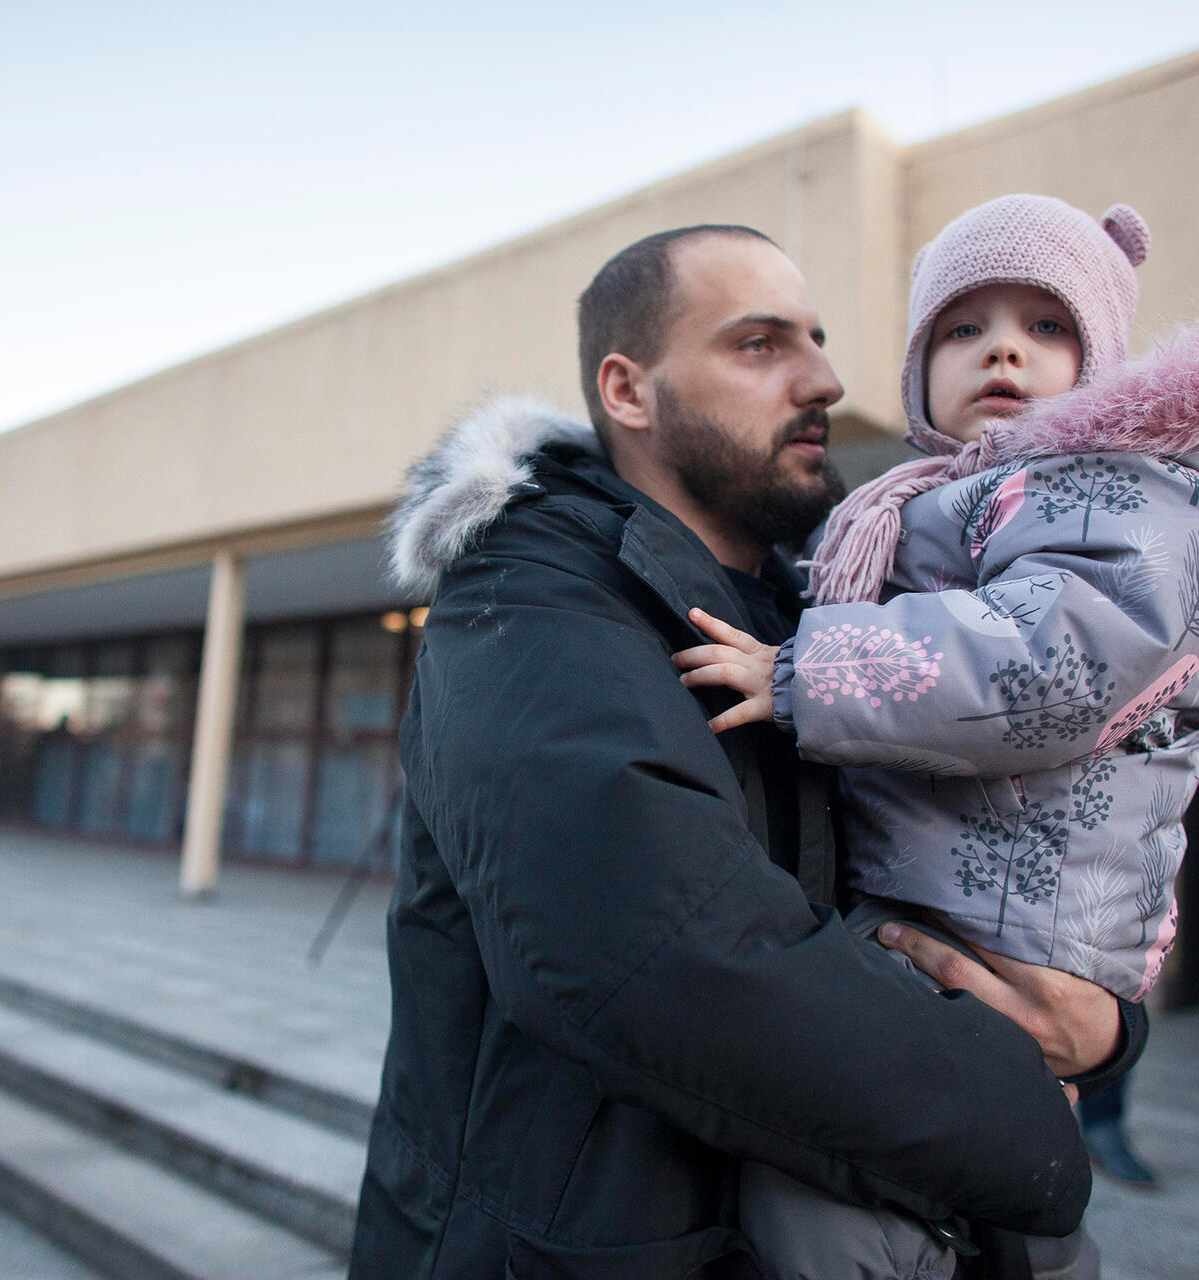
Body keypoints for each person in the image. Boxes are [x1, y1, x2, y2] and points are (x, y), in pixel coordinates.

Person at [350, 224, 1132, 1280]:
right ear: (627, 391)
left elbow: (960, 849)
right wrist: (1030, 1121)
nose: (823, 377)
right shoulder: (531, 597)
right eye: (760, 344)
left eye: (812, 337)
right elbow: (666, 961)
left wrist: (1099, 1025)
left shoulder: (817, 618)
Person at [674, 196, 1196, 1277]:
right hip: (948, 901)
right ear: (917, 368)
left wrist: (806, 670)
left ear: (1097, 358)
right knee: (923, 1188)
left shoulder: (1112, 489)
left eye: (1044, 325)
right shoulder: (919, 499)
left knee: (855, 1184)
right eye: (963, 327)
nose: (1000, 345)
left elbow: (1046, 661)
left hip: (1021, 910)